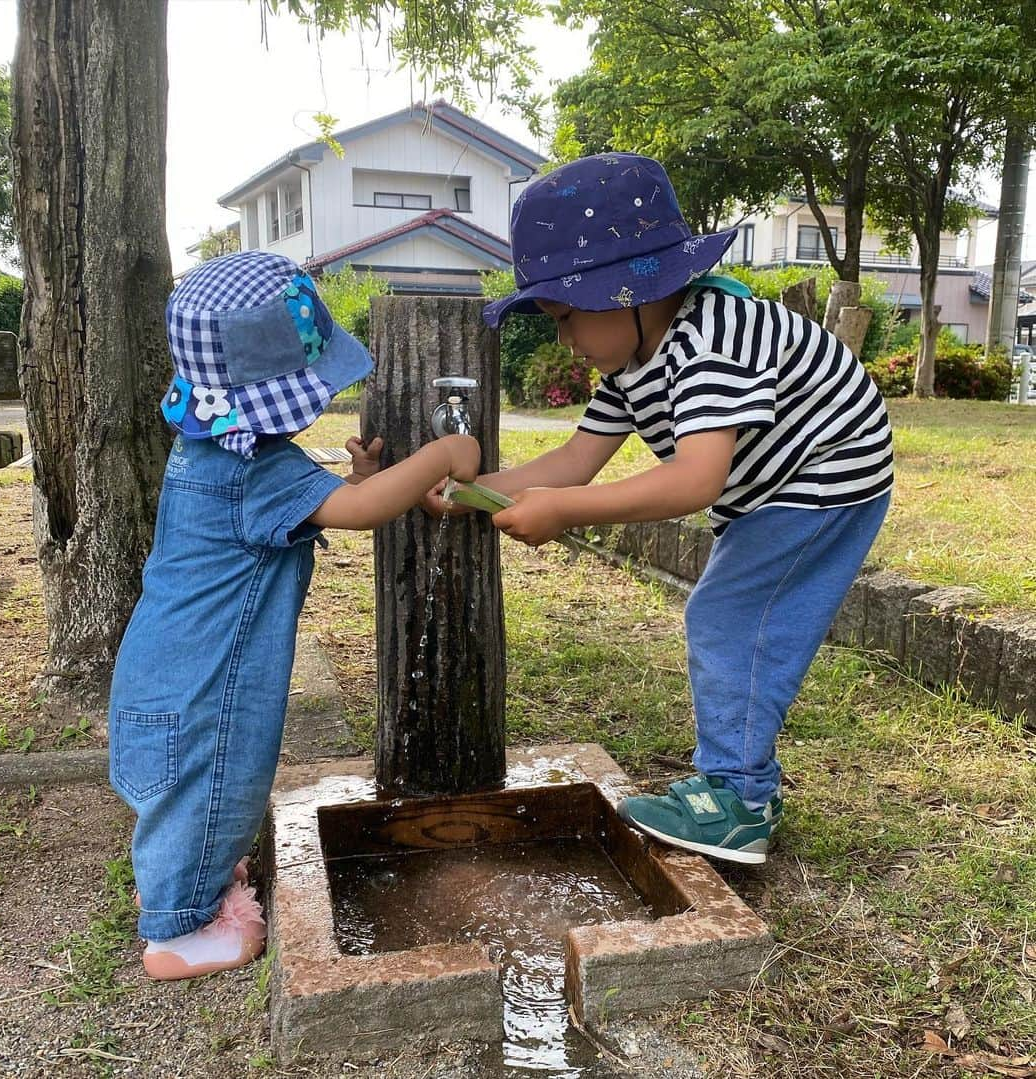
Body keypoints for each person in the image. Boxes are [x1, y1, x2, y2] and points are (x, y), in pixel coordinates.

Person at [451, 152, 893, 865]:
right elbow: (573, 460)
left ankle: (740, 801)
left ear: (626, 289)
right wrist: (479, 493)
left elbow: (694, 480)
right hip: (771, 486)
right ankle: (745, 781)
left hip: (826, 476)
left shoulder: (710, 336)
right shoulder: (631, 360)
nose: (565, 339)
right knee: (733, 616)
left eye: (566, 317)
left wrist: (566, 512)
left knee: (729, 618)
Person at [109, 250, 480, 980]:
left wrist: (363, 475)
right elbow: (362, 512)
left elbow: (334, 500)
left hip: (169, 668)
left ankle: (196, 880)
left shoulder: (207, 451)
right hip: (205, 691)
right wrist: (445, 449)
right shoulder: (259, 470)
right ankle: (177, 933)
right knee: (214, 784)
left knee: (193, 800)